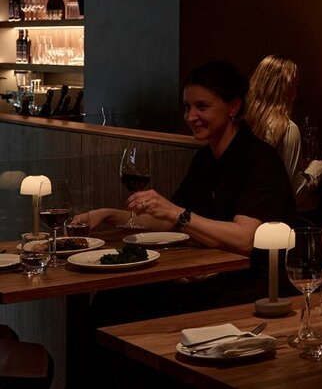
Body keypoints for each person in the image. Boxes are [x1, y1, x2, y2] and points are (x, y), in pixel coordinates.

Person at [82, 60, 297, 314]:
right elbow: (168, 221)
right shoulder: (206, 159)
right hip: (209, 274)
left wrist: (176, 213)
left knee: (127, 304)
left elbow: (244, 239)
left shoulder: (260, 159)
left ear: (234, 107)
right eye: (187, 107)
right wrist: (108, 215)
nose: (190, 117)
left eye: (202, 107)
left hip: (254, 286)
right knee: (112, 297)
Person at [245, 54, 322, 213]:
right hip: (275, 223)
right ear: (286, 89)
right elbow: (292, 194)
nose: (296, 94)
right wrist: (317, 171)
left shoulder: (241, 123)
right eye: (295, 87)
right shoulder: (286, 128)